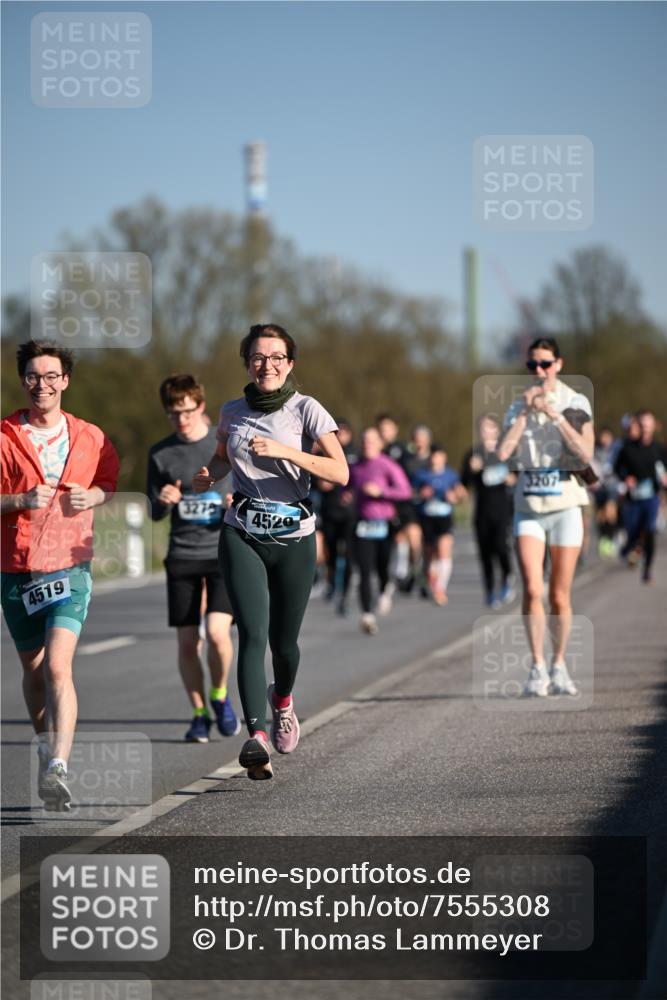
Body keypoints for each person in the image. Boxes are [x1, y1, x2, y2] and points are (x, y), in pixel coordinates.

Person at [192, 323, 348, 779]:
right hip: (241, 529)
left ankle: (283, 701)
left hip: (295, 536)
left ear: (290, 364)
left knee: (284, 645)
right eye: (259, 357)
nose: (268, 365)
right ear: (247, 363)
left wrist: (286, 451)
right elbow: (223, 457)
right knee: (251, 635)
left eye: (277, 357)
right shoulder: (231, 411)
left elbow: (340, 473)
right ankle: (255, 734)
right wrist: (209, 473)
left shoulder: (306, 409)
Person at [0, 340, 119, 810]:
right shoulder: (5, 435)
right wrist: (19, 501)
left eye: (51, 376)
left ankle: (58, 767)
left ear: (65, 380)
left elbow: (106, 483)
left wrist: (94, 497)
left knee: (56, 666)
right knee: (32, 672)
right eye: (33, 376)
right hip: (17, 567)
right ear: (23, 380)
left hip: (70, 563)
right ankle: (48, 748)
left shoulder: (90, 436)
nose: (42, 385)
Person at [498, 337, 594, 697]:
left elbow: (585, 452)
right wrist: (524, 413)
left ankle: (559, 664)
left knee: (558, 594)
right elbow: (504, 453)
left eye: (545, 364)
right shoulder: (517, 405)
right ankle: (537, 666)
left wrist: (554, 415)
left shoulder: (574, 401)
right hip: (529, 508)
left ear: (558, 364)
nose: (539, 371)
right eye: (532, 365)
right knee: (533, 588)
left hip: (566, 505)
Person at [147, 374, 240, 743]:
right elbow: (154, 512)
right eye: (173, 414)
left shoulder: (223, 443)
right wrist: (162, 502)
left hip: (221, 552)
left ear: (200, 406)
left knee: (217, 634)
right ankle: (199, 713)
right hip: (182, 554)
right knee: (188, 643)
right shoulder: (161, 453)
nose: (181, 420)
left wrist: (235, 503)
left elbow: (248, 485)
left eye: (187, 411)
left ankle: (220, 696)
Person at [347, 427, 412, 634]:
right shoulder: (355, 467)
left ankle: (385, 588)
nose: (367, 444)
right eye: (365, 440)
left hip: (384, 524)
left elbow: (405, 491)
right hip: (363, 524)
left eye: (372, 440)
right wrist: (345, 495)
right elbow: (345, 486)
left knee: (383, 567)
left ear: (380, 444)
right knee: (364, 570)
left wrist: (381, 491)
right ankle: (367, 614)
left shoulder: (388, 465)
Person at [461, 416, 515, 607]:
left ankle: (507, 578)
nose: (486, 432)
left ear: (497, 430)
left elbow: (519, 475)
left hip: (502, 510)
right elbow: (463, 486)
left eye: (490, 428)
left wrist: (512, 478)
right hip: (482, 512)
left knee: (501, 547)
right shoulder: (473, 455)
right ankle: (490, 591)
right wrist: (471, 470)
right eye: (483, 429)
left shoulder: (506, 453)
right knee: (485, 554)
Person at [614, 410, 667, 584]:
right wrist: (625, 478)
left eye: (648, 423)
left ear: (653, 426)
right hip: (633, 498)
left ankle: (647, 569)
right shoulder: (627, 448)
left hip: (651, 496)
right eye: (642, 423)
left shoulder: (659, 448)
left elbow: (664, 469)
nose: (644, 427)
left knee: (650, 530)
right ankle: (632, 548)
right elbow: (617, 468)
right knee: (634, 532)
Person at [411, 445, 466, 605]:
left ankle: (440, 589)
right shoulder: (421, 475)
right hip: (426, 518)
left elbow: (462, 494)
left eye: (438, 456)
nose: (435, 460)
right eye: (433, 457)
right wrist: (421, 495)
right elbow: (410, 493)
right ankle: (431, 581)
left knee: (444, 550)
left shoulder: (451, 475)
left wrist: (454, 497)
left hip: (444, 518)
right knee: (429, 554)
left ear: (444, 458)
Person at [316, 419, 357, 615]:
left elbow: (360, 478)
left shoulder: (355, 455)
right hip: (328, 510)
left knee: (347, 554)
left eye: (343, 433)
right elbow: (311, 475)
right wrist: (321, 483)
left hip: (348, 514)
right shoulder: (320, 452)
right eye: (336, 433)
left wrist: (351, 492)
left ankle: (345, 593)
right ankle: (331, 581)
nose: (340, 437)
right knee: (330, 550)